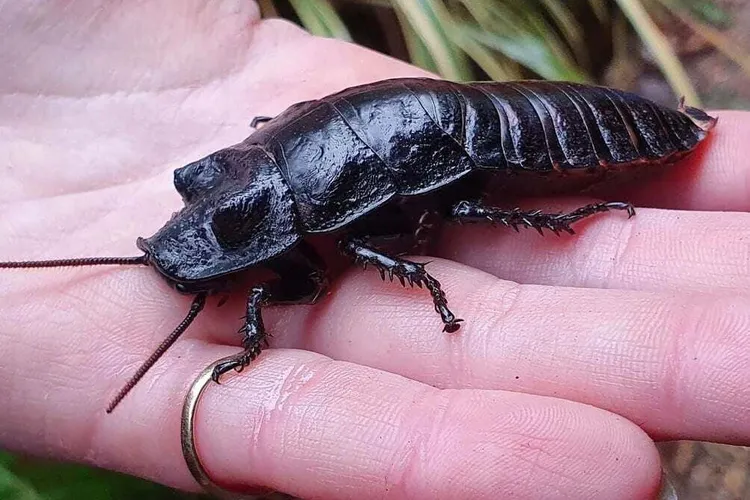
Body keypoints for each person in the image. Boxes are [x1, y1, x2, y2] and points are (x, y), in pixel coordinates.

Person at [1, 2, 748, 499]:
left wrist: (263, 304)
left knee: (455, 207)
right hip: (436, 114)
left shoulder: (313, 235)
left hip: (527, 126)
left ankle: (601, 188)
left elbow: (344, 255)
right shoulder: (277, 179)